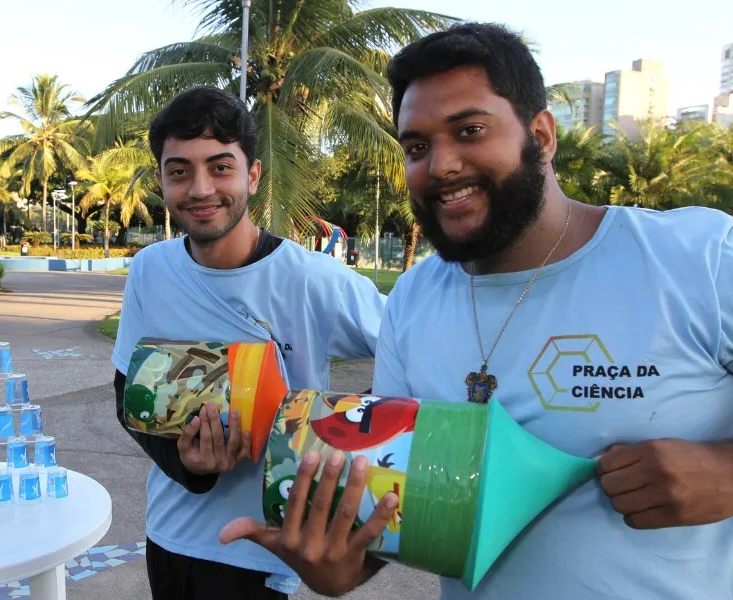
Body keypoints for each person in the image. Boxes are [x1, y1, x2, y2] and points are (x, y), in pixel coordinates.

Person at [220, 21, 733, 599]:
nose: (440, 165)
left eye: (469, 130)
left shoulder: (699, 259)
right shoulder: (412, 300)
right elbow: (392, 513)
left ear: (540, 135)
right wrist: (334, 567)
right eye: (417, 147)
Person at [111, 84, 388, 599]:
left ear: (252, 175)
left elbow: (409, 346)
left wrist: (333, 439)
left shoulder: (313, 279)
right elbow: (127, 391)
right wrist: (188, 466)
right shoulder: (151, 269)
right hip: (169, 538)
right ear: (160, 180)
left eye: (220, 167)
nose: (199, 189)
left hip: (261, 553)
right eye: (179, 171)